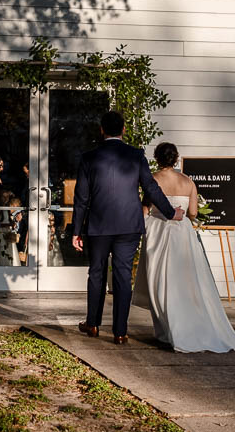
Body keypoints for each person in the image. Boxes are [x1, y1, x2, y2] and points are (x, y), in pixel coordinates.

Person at [72, 110, 184, 344]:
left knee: (96, 273)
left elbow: (81, 198)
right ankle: (120, 332)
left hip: (99, 225)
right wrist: (171, 212)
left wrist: (76, 231)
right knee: (123, 275)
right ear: (123, 130)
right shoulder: (135, 155)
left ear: (102, 130)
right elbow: (151, 188)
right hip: (128, 225)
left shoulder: (89, 157)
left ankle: (92, 325)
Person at [143, 142, 235, 353]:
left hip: (158, 232)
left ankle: (165, 329)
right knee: (185, 279)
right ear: (176, 158)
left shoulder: (152, 179)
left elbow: (146, 208)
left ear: (157, 158)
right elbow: (192, 214)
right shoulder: (188, 182)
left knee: (159, 279)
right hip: (182, 234)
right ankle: (181, 326)